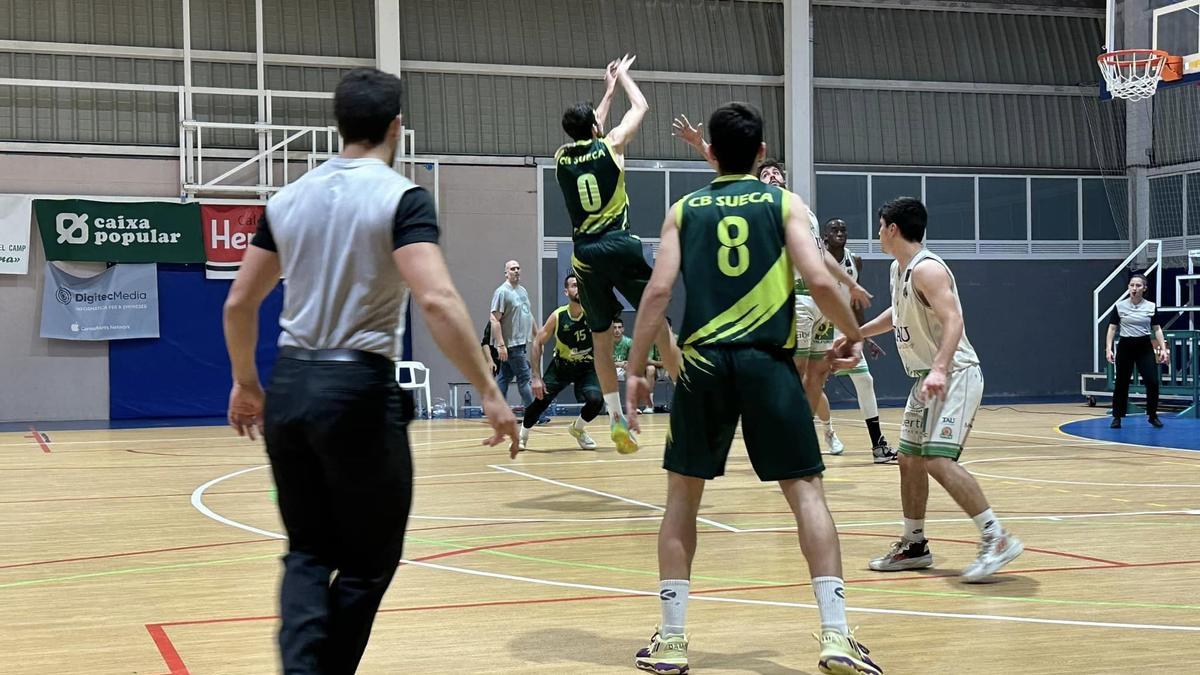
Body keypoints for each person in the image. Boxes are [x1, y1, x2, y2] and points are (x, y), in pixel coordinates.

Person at [222, 68, 518, 675]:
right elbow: (436, 300)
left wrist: (247, 384)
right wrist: (489, 389)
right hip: (357, 389)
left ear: (338, 125)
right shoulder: (401, 197)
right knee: (368, 559)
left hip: (292, 386)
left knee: (306, 551)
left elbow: (238, 303)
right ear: (395, 127)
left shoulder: (287, 199)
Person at [626, 102, 882, 675]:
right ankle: (836, 635)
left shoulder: (683, 210)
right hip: (769, 364)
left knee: (682, 500)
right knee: (807, 494)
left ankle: (671, 640)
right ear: (762, 152)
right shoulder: (784, 202)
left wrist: (637, 367)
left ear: (710, 153)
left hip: (703, 366)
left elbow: (659, 293)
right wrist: (853, 334)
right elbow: (818, 277)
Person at [841, 196, 1023, 582]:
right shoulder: (899, 269)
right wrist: (857, 333)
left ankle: (997, 537)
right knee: (908, 459)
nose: (876, 233)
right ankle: (914, 543)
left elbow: (953, 319)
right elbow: (898, 313)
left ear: (892, 229)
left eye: (879, 226)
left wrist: (940, 368)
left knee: (938, 460)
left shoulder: (928, 270)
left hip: (954, 373)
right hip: (926, 377)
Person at [671, 118, 872, 455]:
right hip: (792, 299)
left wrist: (850, 284)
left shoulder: (801, 209)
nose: (771, 176)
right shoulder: (761, 202)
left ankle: (807, 432)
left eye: (775, 174)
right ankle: (790, 433)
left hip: (820, 301)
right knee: (795, 371)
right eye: (764, 174)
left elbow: (821, 256)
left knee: (817, 374)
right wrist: (698, 143)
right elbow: (728, 168)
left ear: (784, 179)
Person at [556, 54, 677, 454]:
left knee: (601, 339)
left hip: (585, 254)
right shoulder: (611, 147)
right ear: (595, 127)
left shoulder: (561, 159)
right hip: (619, 244)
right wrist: (622, 79)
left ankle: (613, 419)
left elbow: (591, 131)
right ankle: (689, 398)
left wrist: (603, 94)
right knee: (657, 320)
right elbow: (640, 107)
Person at [822, 218, 897, 464]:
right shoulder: (814, 255)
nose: (840, 233)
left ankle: (878, 446)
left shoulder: (854, 261)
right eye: (835, 229)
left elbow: (856, 304)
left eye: (843, 229)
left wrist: (863, 335)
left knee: (865, 380)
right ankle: (826, 432)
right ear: (825, 234)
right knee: (809, 387)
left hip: (842, 331)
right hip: (816, 328)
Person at [518, 272, 603, 451]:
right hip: (561, 367)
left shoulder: (593, 313)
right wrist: (536, 377)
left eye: (580, 285)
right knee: (540, 402)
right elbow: (537, 342)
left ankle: (577, 429)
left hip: (586, 367)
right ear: (566, 292)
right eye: (573, 285)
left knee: (596, 401)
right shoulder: (558, 316)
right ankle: (523, 435)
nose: (577, 289)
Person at [1106, 272, 1168, 428]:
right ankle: (1117, 416)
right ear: (1128, 287)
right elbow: (1112, 328)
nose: (1134, 288)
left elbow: (1157, 329)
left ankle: (1152, 415)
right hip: (1126, 346)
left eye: (1138, 285)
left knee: (1152, 381)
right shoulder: (1119, 306)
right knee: (1122, 382)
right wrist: (1108, 348)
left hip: (1144, 346)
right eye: (1132, 285)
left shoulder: (1151, 306)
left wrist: (1163, 349)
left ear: (1144, 288)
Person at [490, 259, 537, 410]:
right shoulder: (502, 292)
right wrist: (501, 345)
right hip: (512, 344)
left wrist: (537, 334)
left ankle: (498, 410)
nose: (516, 271)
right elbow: (494, 319)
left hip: (521, 342)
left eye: (518, 268)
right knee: (524, 379)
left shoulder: (522, 290)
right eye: (512, 269)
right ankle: (534, 414)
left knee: (504, 377)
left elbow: (528, 314)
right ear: (506, 273)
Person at [613, 316, 665, 413]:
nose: (617, 330)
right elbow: (603, 362)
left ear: (623, 329)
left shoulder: (628, 342)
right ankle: (612, 409)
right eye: (614, 327)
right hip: (610, 369)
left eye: (619, 327)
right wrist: (618, 363)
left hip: (624, 368)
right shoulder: (606, 342)